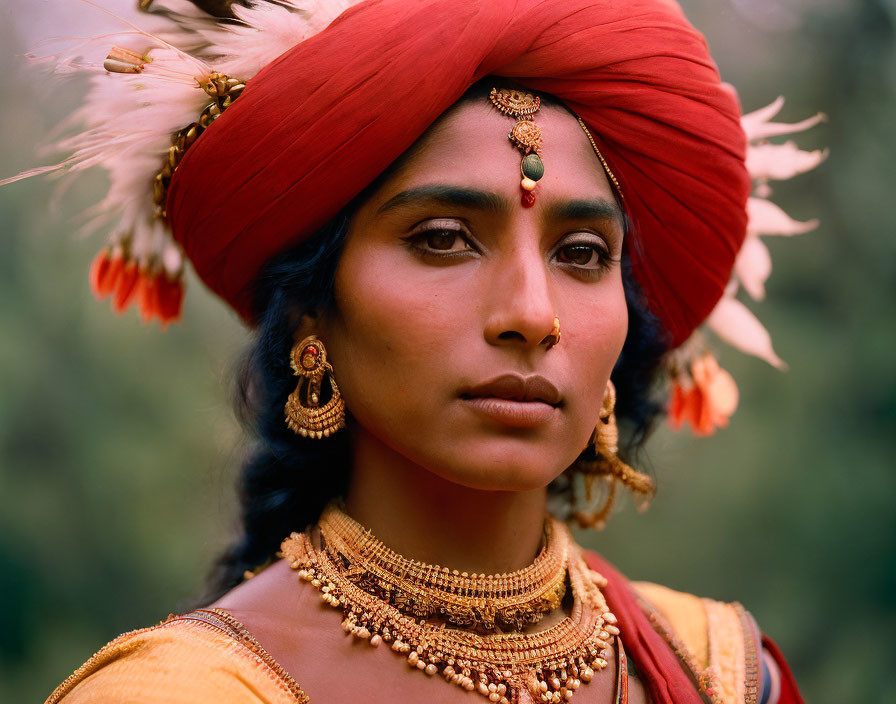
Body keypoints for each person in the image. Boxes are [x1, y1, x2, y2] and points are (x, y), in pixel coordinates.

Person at [2, 1, 822, 702]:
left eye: (582, 253)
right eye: (442, 238)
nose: (533, 315)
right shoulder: (180, 691)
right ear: (311, 316)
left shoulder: (721, 671)